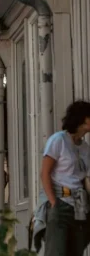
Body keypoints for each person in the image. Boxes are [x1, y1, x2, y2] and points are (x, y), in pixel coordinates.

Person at [37, 100, 90, 256]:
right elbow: (45, 173)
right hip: (60, 203)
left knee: (76, 251)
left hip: (80, 207)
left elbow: (85, 179)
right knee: (56, 252)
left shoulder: (86, 148)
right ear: (82, 119)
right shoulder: (58, 140)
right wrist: (53, 202)